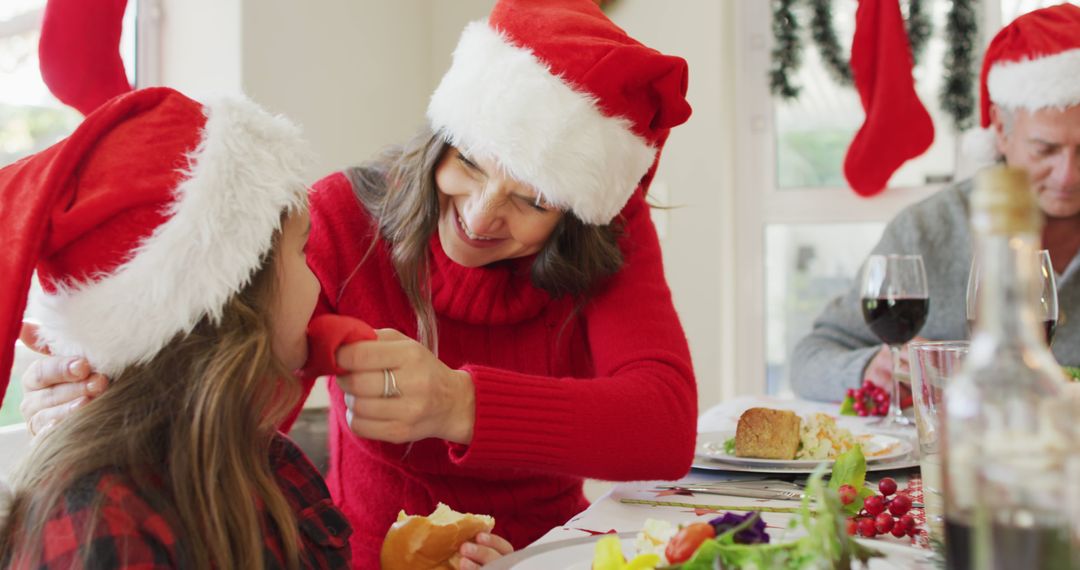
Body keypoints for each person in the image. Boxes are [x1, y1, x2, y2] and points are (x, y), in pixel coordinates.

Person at [17, 0, 699, 567]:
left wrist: (459, 402)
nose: (483, 213)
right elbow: (225, 390)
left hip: (553, 553)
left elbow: (663, 426)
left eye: (534, 200)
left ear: (580, 213)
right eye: (468, 162)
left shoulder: (610, 235)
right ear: (442, 137)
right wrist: (106, 396)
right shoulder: (341, 218)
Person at [0, 87, 353, 567]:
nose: (318, 281)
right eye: (302, 251)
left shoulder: (271, 460)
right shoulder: (100, 524)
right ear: (238, 300)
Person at [790, 3, 1080, 402]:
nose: (1069, 175)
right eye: (1045, 150)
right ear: (1000, 128)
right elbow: (809, 358)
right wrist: (872, 368)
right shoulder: (927, 229)